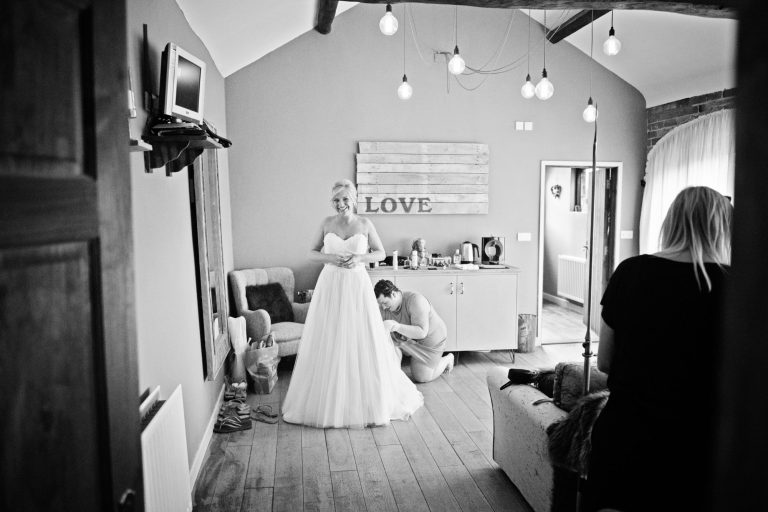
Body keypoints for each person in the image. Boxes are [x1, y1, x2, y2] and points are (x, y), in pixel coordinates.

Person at [585, 186, 732, 512]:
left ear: (670, 221)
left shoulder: (631, 271)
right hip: (699, 440)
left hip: (626, 433)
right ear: (722, 225)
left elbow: (605, 362)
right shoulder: (735, 284)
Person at [281, 179, 423, 428]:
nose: (341, 204)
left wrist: (360, 257)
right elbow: (310, 253)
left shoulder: (365, 224)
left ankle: (366, 398)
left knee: (360, 336)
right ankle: (329, 399)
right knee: (331, 335)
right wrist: (331, 257)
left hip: (357, 284)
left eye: (345, 199)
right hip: (331, 284)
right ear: (331, 202)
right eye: (336, 200)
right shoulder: (326, 224)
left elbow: (380, 253)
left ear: (354, 199)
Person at [374, 279, 454, 383]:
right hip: (410, 340)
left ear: (393, 294)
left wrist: (397, 326)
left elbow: (421, 332)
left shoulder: (415, 300)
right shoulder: (385, 308)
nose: (383, 307)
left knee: (422, 377)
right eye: (381, 304)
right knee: (391, 345)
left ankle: (448, 359)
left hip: (431, 339)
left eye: (385, 303)